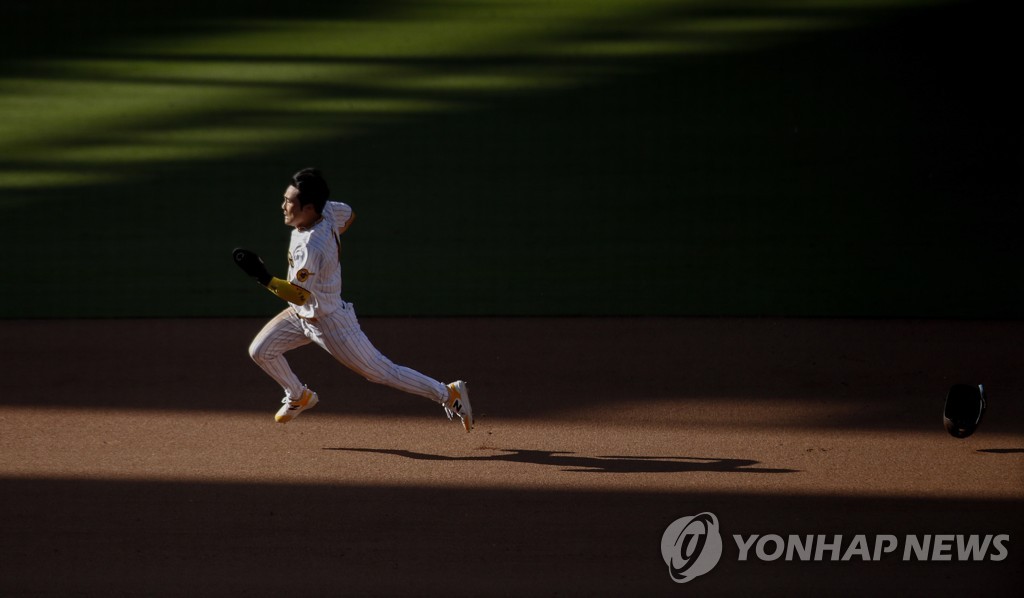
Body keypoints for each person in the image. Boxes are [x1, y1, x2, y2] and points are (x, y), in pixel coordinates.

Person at [246, 167, 473, 431]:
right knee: (261, 351)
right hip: (301, 317)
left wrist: (264, 278)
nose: (283, 205)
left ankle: (448, 393)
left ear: (308, 208)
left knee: (381, 372)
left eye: (289, 202)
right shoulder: (327, 210)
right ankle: (299, 396)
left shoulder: (311, 244)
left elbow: (298, 294)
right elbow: (349, 214)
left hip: (330, 323)